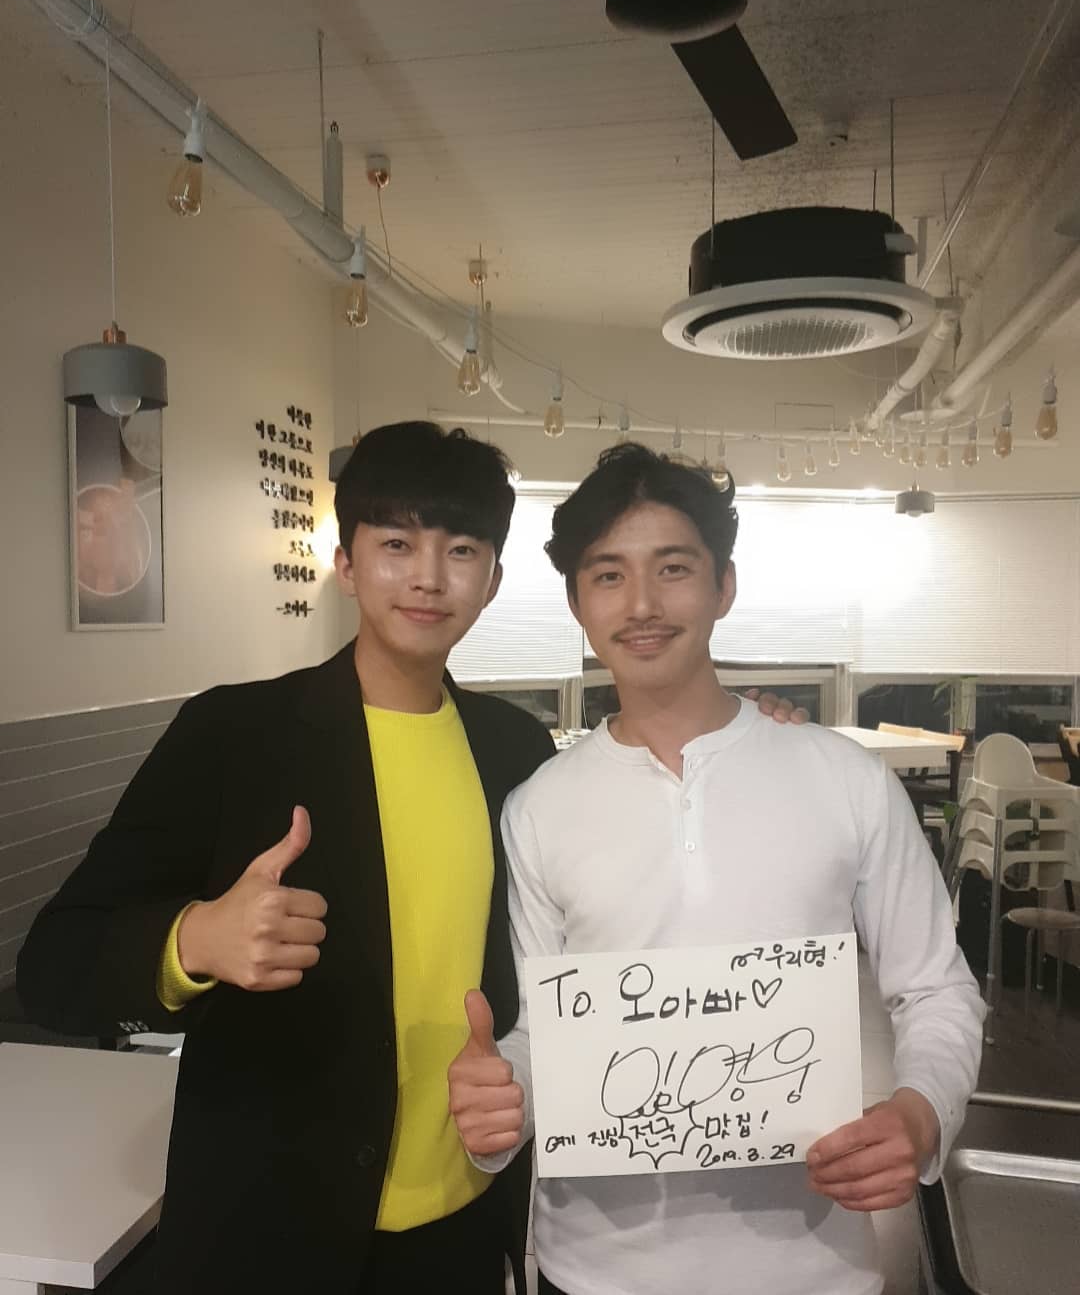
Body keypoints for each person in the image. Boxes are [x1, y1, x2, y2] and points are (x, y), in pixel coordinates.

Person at [17, 422, 802, 1295]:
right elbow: (53, 965)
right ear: (346, 563)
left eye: (461, 549)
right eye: (396, 543)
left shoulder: (515, 751)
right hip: (266, 1234)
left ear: (492, 580)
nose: (429, 576)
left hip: (460, 1234)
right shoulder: (234, 734)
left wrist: (756, 734)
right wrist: (193, 940)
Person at [449, 444, 985, 1295]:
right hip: (591, 1270)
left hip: (815, 1268)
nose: (642, 604)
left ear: (723, 586)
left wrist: (921, 1110)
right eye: (609, 575)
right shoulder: (539, 807)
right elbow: (543, 1031)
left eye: (673, 568)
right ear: (577, 603)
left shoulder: (845, 779)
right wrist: (500, 1099)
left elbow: (935, 988)